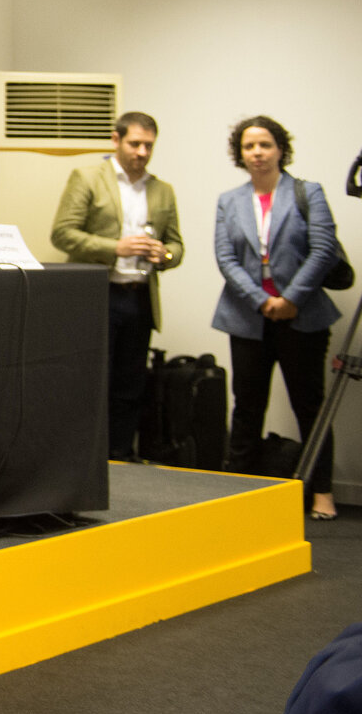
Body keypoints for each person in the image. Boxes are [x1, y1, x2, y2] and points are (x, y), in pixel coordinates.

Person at [211, 115, 341, 519]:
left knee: (310, 406)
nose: (257, 153)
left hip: (300, 317)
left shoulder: (308, 192)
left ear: (280, 149)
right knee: (247, 406)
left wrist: (290, 299)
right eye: (249, 146)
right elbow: (225, 258)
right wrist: (260, 300)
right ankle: (240, 491)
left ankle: (322, 492)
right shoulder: (229, 200)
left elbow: (324, 250)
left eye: (265, 144)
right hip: (248, 317)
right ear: (240, 153)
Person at [51, 111, 185, 461]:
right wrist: (116, 248)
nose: (141, 152)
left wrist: (164, 254)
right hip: (99, 295)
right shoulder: (88, 177)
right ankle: (86, 460)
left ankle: (121, 455)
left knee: (130, 385)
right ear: (116, 140)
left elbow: (177, 247)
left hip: (140, 297)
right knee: (93, 383)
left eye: (148, 146)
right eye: (135, 143)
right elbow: (63, 233)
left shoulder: (162, 190)